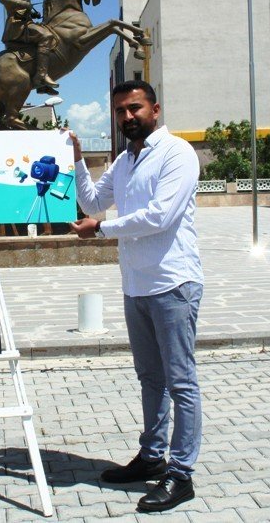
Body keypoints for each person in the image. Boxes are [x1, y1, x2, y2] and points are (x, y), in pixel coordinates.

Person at [67, 79, 204, 513]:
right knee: (151, 380)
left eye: (135, 108)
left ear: (155, 109)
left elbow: (160, 216)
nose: (127, 117)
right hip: (136, 285)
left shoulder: (177, 153)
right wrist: (75, 160)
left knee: (181, 382)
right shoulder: (124, 162)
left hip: (173, 284)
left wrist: (103, 231)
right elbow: (91, 204)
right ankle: (151, 456)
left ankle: (181, 474)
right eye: (121, 111)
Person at [0, 0, 59, 94]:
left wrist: (31, 13)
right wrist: (24, 3)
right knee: (46, 36)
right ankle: (41, 76)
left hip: (24, 21)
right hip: (17, 26)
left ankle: (40, 82)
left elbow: (19, 7)